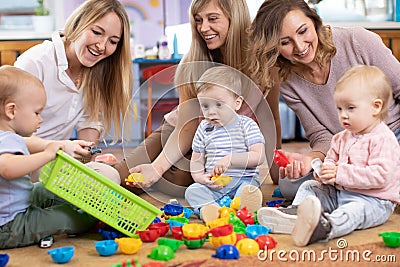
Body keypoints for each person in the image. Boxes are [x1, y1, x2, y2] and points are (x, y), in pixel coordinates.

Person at [117, 0, 281, 199]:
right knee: (125, 176)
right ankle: (99, 166)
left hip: (214, 142)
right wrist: (157, 167)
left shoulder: (263, 61)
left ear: (234, 18)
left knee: (179, 179)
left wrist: (276, 171)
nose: (203, 28)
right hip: (180, 130)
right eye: (198, 20)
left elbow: (271, 118)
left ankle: (155, 174)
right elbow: (186, 127)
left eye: (212, 19)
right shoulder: (193, 62)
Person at [248, 0, 400, 201]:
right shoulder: (287, 80)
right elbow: (321, 136)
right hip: (347, 151)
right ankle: (370, 188)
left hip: (392, 137)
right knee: (289, 187)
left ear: (314, 21)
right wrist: (308, 161)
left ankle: (369, 188)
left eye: (303, 31)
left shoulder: (357, 40)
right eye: (285, 42)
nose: (300, 47)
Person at [262, 65, 400, 246]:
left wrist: (339, 173)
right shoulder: (340, 138)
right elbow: (330, 162)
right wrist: (323, 173)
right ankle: (296, 213)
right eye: (339, 109)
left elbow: (380, 176)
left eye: (350, 108)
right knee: (310, 186)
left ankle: (326, 227)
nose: (343, 116)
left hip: (373, 201)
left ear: (375, 107)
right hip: (340, 193)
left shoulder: (383, 139)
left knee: (353, 211)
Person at [14, 0, 132, 164]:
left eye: (112, 41)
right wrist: (60, 147)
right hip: (19, 161)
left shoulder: (96, 72)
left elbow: (90, 121)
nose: (101, 46)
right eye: (97, 32)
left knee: (109, 172)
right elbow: (8, 135)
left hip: (56, 162)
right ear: (78, 23)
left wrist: (89, 156)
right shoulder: (35, 63)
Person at [0, 66, 102, 248]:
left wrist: (56, 145)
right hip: (9, 225)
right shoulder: (6, 140)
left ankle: (79, 203)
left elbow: (26, 143)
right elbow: (7, 168)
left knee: (46, 189)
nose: (40, 119)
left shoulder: (8, 136)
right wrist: (48, 154)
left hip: (16, 203)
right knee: (64, 217)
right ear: (11, 111)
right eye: (37, 113)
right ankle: (90, 218)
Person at [185, 66, 266, 222]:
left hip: (243, 181)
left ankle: (243, 207)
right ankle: (212, 210)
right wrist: (201, 178)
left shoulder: (247, 125)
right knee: (192, 191)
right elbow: (196, 160)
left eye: (219, 105)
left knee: (248, 191)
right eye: (205, 106)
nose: (211, 112)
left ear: (237, 103)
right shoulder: (204, 128)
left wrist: (230, 159)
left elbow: (259, 156)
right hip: (215, 187)